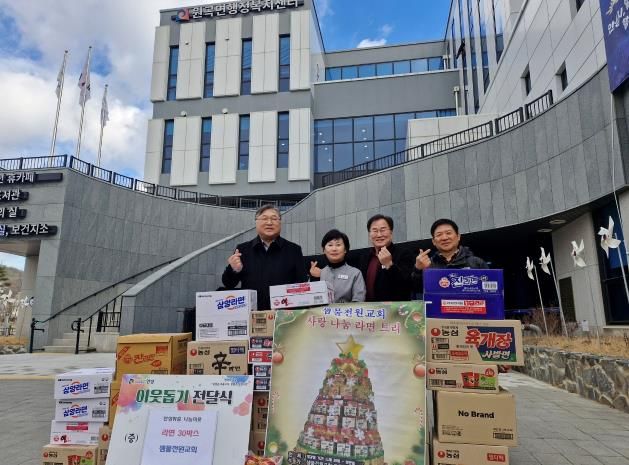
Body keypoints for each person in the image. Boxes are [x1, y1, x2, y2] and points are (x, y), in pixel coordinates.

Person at [222, 204, 308, 310]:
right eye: (264, 218)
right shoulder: (243, 249)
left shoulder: (294, 250)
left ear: (280, 223)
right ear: (256, 222)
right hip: (252, 313)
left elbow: (302, 284)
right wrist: (234, 270)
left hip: (284, 315)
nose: (269, 222)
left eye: (274, 219)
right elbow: (228, 284)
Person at [413, 218, 488, 289]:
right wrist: (418, 270)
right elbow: (417, 289)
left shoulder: (476, 263)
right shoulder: (428, 265)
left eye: (448, 233)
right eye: (439, 235)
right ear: (434, 241)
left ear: (458, 236)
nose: (444, 238)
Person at [356, 214, 415, 302]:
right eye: (375, 230)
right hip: (369, 309)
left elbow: (407, 285)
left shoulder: (404, 254)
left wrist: (390, 265)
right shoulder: (364, 257)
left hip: (394, 309)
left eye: (383, 230)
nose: (379, 235)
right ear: (369, 235)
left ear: (391, 233)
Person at [309, 229, 366, 303]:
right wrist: (314, 278)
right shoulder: (320, 273)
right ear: (324, 250)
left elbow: (359, 301)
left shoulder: (355, 273)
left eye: (338, 245)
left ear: (345, 249)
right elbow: (311, 300)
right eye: (330, 245)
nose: (334, 249)